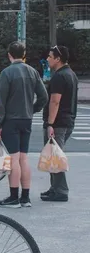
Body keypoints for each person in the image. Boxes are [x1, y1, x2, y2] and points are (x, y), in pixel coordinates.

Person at [0, 41, 48, 208]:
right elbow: (43, 97)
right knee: (24, 158)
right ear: (24, 54)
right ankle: (25, 197)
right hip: (27, 119)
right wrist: (32, 109)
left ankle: (13, 196)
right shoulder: (33, 72)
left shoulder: (6, 73)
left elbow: (1, 102)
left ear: (9, 55)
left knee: (13, 159)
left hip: (11, 120)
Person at [41, 45, 77, 202]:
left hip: (58, 123)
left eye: (50, 56)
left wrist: (50, 123)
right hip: (67, 120)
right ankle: (54, 188)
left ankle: (61, 191)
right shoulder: (71, 74)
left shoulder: (59, 77)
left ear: (58, 59)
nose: (47, 59)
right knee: (53, 155)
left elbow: (55, 101)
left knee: (55, 156)